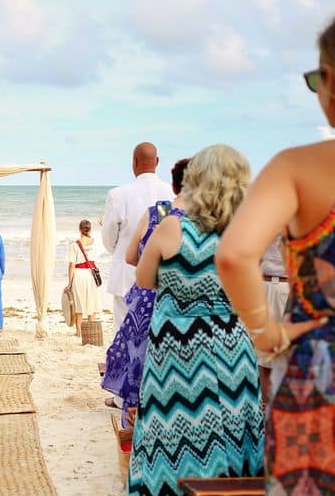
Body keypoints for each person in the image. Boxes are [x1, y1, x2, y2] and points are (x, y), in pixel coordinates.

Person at [216, 18, 335, 494]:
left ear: (331, 79)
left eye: (315, 81)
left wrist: (268, 333)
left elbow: (235, 255)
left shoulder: (298, 168)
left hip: (319, 375)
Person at [128, 145, 263, 495]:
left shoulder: (172, 227)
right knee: (235, 427)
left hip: (179, 347)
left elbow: (143, 279)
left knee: (175, 430)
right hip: (233, 345)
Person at [101, 158, 189, 423]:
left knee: (131, 345)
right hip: (184, 298)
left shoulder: (153, 210)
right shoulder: (208, 219)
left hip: (142, 290)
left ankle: (125, 404)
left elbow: (113, 243)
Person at [102, 142, 174, 332]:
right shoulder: (169, 193)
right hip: (159, 274)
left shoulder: (118, 194)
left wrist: (122, 249)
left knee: (122, 331)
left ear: (134, 161)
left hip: (125, 273)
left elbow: (109, 240)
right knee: (155, 333)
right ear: (157, 162)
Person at [257, 234, 289, 402]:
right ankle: (267, 411)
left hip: (278, 285)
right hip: (268, 285)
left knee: (273, 355)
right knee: (263, 356)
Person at [65, 220, 101, 337]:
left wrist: (69, 283)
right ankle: (91, 331)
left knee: (79, 303)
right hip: (91, 274)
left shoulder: (74, 245)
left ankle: (79, 332)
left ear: (79, 229)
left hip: (79, 274)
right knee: (92, 303)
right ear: (89, 230)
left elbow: (71, 265)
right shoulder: (95, 243)